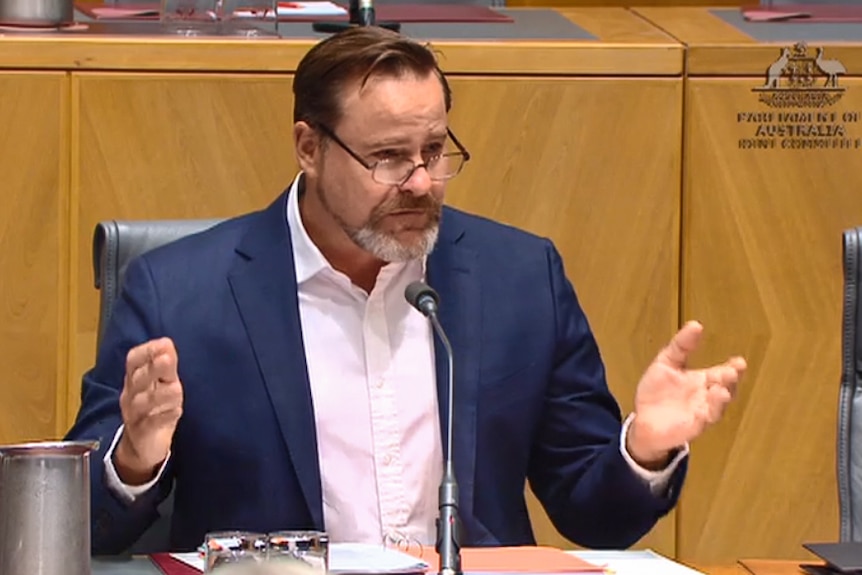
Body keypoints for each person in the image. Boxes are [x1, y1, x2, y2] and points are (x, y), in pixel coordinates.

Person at [66, 26, 746, 556]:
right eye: (388, 157)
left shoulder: (519, 278)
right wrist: (135, 456)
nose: (420, 182)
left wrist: (645, 449)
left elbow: (595, 516)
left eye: (434, 150)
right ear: (309, 147)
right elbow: (86, 530)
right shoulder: (181, 293)